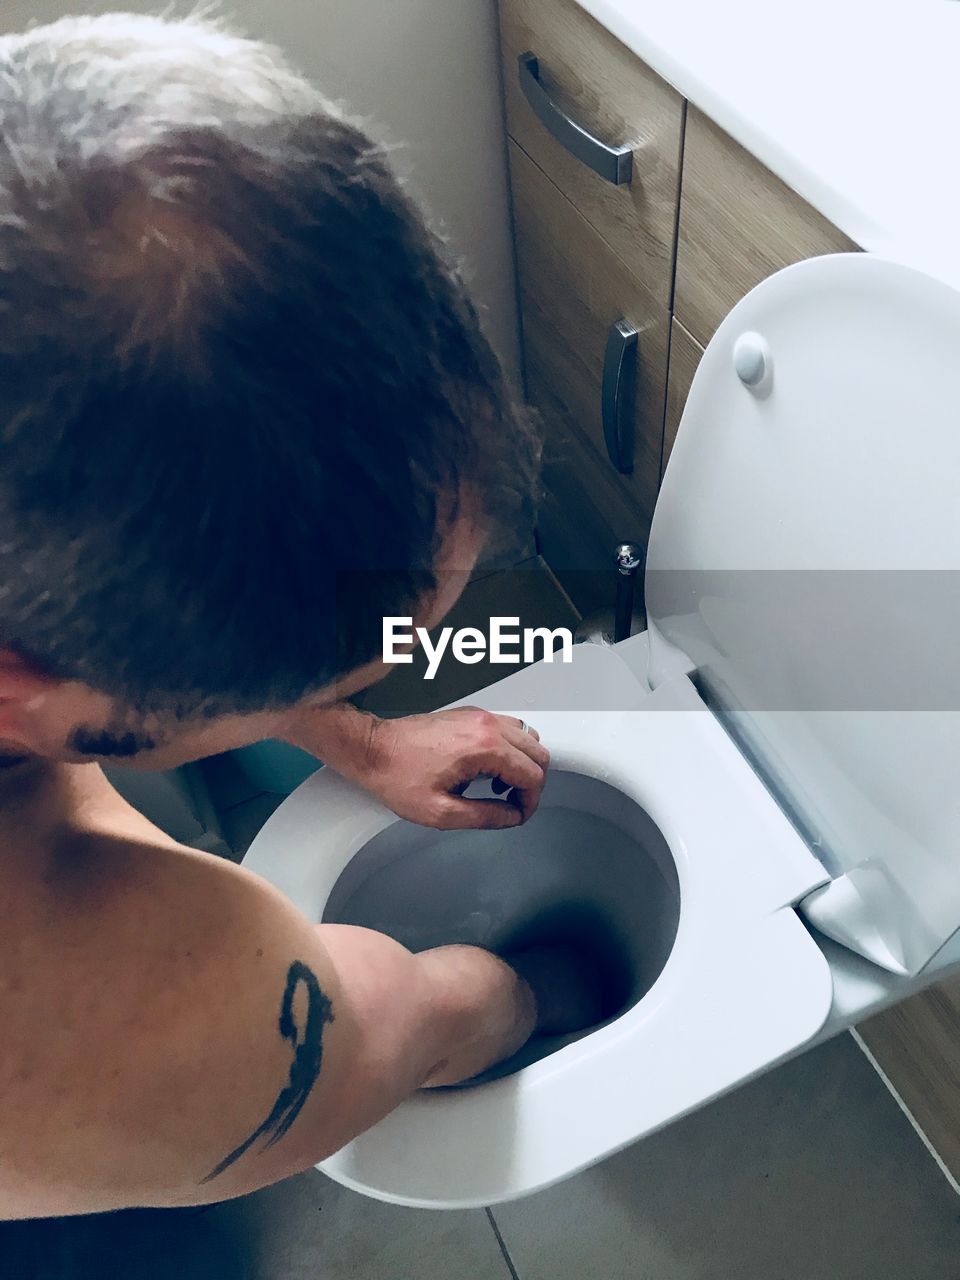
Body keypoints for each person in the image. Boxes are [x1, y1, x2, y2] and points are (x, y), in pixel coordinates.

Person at [0, 13, 606, 1219]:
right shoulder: (114, 1030)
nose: (366, 687)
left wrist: (365, 739)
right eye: (340, 679)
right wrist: (544, 987)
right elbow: (424, 1014)